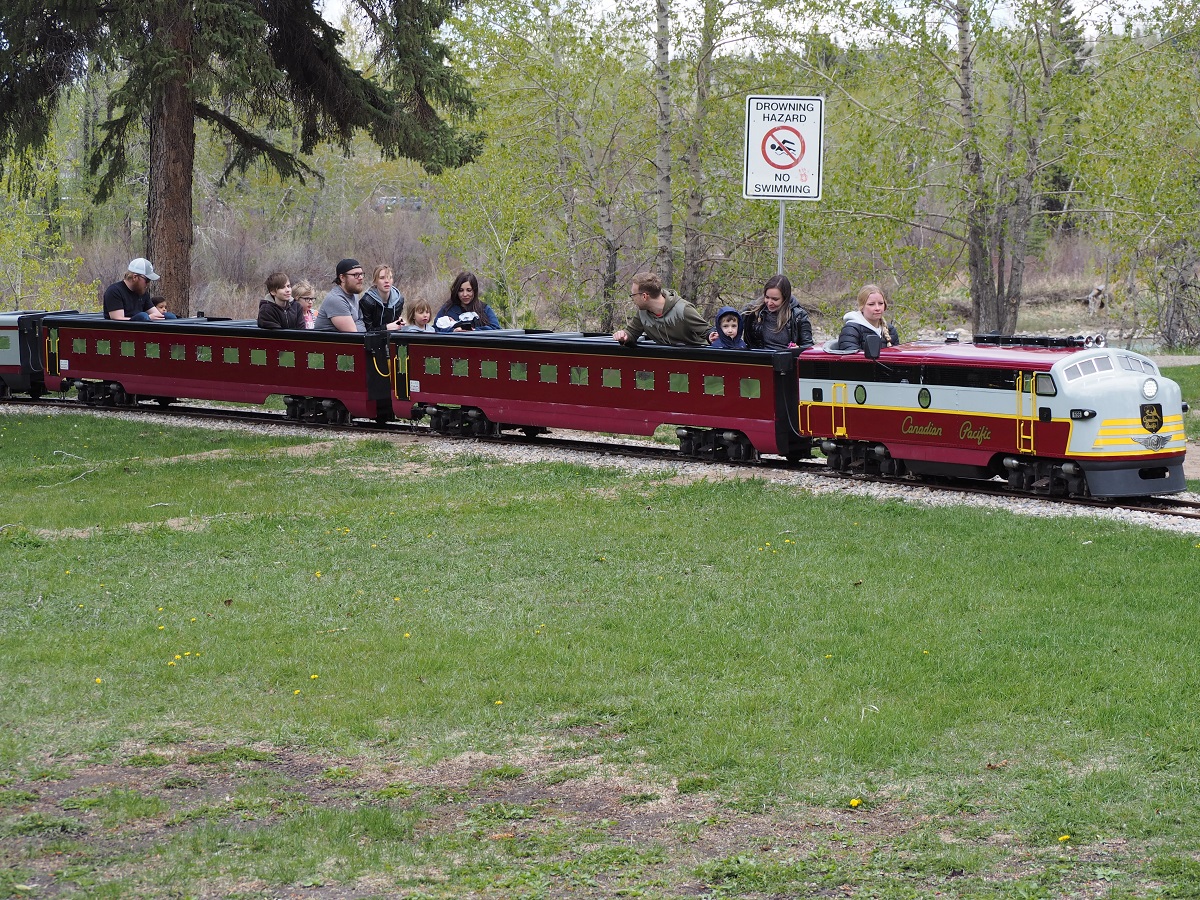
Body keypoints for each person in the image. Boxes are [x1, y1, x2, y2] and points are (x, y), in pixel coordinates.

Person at [613, 272, 710, 347]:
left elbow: (707, 332)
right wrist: (624, 336)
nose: (632, 299)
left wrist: (711, 335)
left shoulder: (683, 309)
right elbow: (632, 333)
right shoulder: (642, 313)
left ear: (644, 296)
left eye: (633, 295)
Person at [742, 274, 813, 350]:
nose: (769, 303)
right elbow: (731, 322)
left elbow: (808, 346)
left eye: (775, 299)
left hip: (785, 359)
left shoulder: (799, 316)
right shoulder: (752, 310)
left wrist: (797, 349)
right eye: (767, 297)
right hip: (758, 358)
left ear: (785, 299)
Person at [838, 283, 900, 351]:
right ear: (862, 307)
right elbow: (851, 359)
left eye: (880, 303)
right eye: (871, 304)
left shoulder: (890, 330)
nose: (877, 308)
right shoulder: (851, 330)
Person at [103, 258, 168, 321]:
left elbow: (157, 315)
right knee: (143, 316)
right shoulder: (115, 291)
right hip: (120, 330)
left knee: (168, 316)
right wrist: (147, 318)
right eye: (147, 280)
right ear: (134, 277)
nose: (148, 283)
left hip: (140, 329)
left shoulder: (142, 293)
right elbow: (118, 318)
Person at [434, 272, 501, 332]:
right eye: (461, 290)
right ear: (456, 291)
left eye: (469, 290)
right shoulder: (447, 309)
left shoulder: (484, 309)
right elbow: (435, 329)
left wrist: (473, 331)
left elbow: (496, 329)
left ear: (474, 290)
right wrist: (453, 330)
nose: (465, 294)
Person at [314, 258, 367, 333]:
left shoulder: (354, 294)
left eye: (361, 274)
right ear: (342, 278)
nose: (360, 278)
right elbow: (354, 334)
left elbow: (360, 321)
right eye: (356, 275)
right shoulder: (336, 299)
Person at [360, 265, 406, 331]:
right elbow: (367, 331)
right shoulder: (367, 301)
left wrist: (400, 324)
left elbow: (395, 325)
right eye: (382, 278)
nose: (387, 281)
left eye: (389, 277)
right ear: (375, 281)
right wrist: (386, 327)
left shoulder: (399, 300)